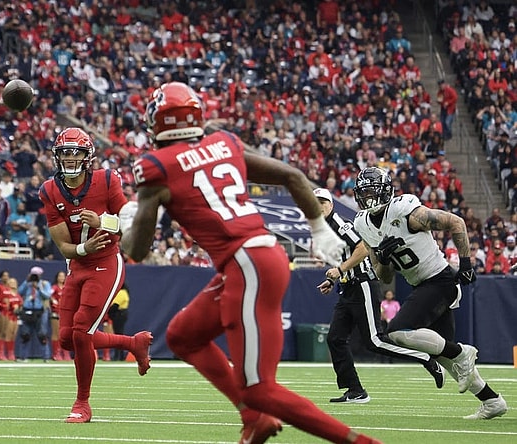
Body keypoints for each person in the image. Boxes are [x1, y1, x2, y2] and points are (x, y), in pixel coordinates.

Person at [121, 82, 379, 444]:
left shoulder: (155, 167)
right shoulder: (224, 142)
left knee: (258, 388)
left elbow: (139, 249)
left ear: (158, 123)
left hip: (246, 263)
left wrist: (122, 224)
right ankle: (253, 419)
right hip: (258, 256)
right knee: (183, 335)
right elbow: (293, 176)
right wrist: (319, 229)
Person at [353, 166, 507, 420]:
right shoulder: (363, 224)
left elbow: (454, 222)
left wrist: (466, 263)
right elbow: (385, 276)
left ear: (385, 192)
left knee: (397, 332)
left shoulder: (405, 211)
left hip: (439, 280)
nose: (367, 198)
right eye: (364, 193)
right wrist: (383, 257)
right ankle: (492, 401)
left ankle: (462, 352)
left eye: (372, 192)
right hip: (421, 285)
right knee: (446, 359)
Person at [39, 127, 153, 423]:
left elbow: (130, 222)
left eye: (75, 152)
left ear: (87, 156)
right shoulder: (50, 190)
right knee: (67, 339)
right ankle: (132, 344)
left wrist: (103, 220)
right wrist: (82, 247)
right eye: (64, 152)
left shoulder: (106, 179)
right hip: (78, 265)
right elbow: (63, 245)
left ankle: (82, 403)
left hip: (106, 262)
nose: (69, 157)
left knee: (81, 331)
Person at [313, 187, 445, 404]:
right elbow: (342, 257)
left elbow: (362, 248)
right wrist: (332, 279)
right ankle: (355, 390)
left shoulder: (338, 223)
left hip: (362, 283)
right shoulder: (325, 228)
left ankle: (426, 359)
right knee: (335, 338)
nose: (319, 207)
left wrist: (340, 271)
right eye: (315, 203)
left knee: (375, 341)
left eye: (323, 202)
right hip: (347, 287)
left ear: (331, 204)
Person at [15, 266, 52, 361]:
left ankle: (46, 357)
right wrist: (26, 282)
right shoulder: (27, 284)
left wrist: (39, 288)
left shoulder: (45, 284)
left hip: (41, 311)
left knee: (42, 334)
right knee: (25, 334)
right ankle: (23, 357)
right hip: (27, 310)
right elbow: (19, 292)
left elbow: (48, 295)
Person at [50, 270, 70, 361]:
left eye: (63, 276)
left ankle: (66, 352)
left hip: (66, 313)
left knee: (65, 333)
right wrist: (53, 301)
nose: (62, 278)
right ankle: (56, 353)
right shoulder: (54, 287)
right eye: (60, 276)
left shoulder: (67, 287)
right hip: (56, 312)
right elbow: (49, 294)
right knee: (56, 333)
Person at [108, 283, 130, 361]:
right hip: (121, 314)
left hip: (119, 314)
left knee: (118, 334)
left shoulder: (121, 293)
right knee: (119, 334)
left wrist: (108, 312)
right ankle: (120, 355)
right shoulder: (124, 293)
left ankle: (118, 355)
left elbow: (115, 306)